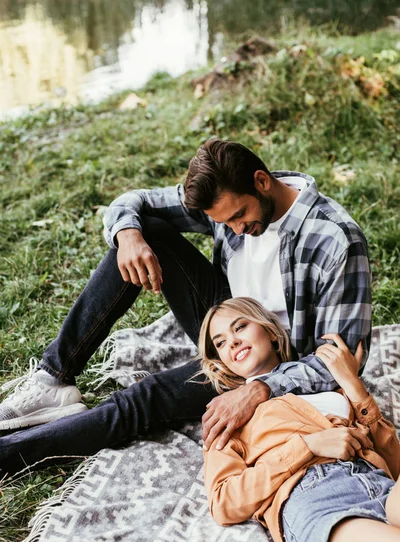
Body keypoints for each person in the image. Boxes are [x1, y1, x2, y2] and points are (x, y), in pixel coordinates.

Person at [0, 139, 371, 477]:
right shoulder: (227, 205)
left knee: (141, 399)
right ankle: (54, 378)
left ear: (261, 181)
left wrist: (259, 389)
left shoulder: (335, 239)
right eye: (224, 223)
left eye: (239, 216)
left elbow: (338, 362)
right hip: (226, 327)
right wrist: (127, 235)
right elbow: (133, 201)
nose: (236, 230)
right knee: (144, 232)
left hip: (275, 363)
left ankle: (7, 456)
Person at [200, 297, 400, 542]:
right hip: (322, 505)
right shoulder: (228, 414)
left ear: (270, 330)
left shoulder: (328, 386)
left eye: (240, 326)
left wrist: (353, 386)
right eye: (221, 342)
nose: (233, 341)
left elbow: (394, 463)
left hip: (381, 484)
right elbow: (224, 501)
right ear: (221, 360)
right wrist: (306, 446)